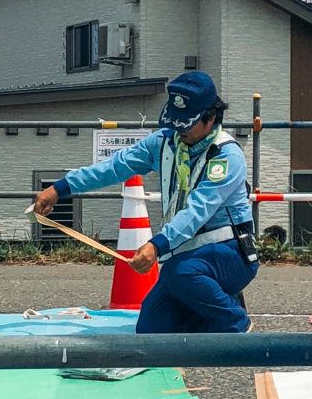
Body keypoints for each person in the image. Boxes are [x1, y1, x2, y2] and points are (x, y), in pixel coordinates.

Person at [34, 71, 258, 333]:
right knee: (150, 329)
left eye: (186, 124)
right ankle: (213, 307)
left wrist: (156, 246)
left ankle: (236, 320)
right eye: (175, 122)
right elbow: (116, 166)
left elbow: (197, 211)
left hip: (229, 252)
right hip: (184, 253)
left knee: (181, 274)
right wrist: (61, 188)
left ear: (210, 119)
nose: (178, 130)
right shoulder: (165, 141)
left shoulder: (226, 156)